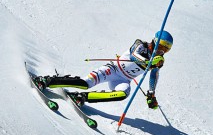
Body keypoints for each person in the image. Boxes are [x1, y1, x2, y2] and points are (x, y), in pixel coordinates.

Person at [34, 30, 173, 110]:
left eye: (166, 49)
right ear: (154, 41)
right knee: (85, 83)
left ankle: (82, 97)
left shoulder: (158, 60)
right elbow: (134, 56)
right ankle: (47, 80)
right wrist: (148, 62)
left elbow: (154, 74)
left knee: (122, 94)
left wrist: (151, 94)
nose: (162, 51)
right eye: (161, 47)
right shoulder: (140, 44)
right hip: (113, 69)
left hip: (124, 79)